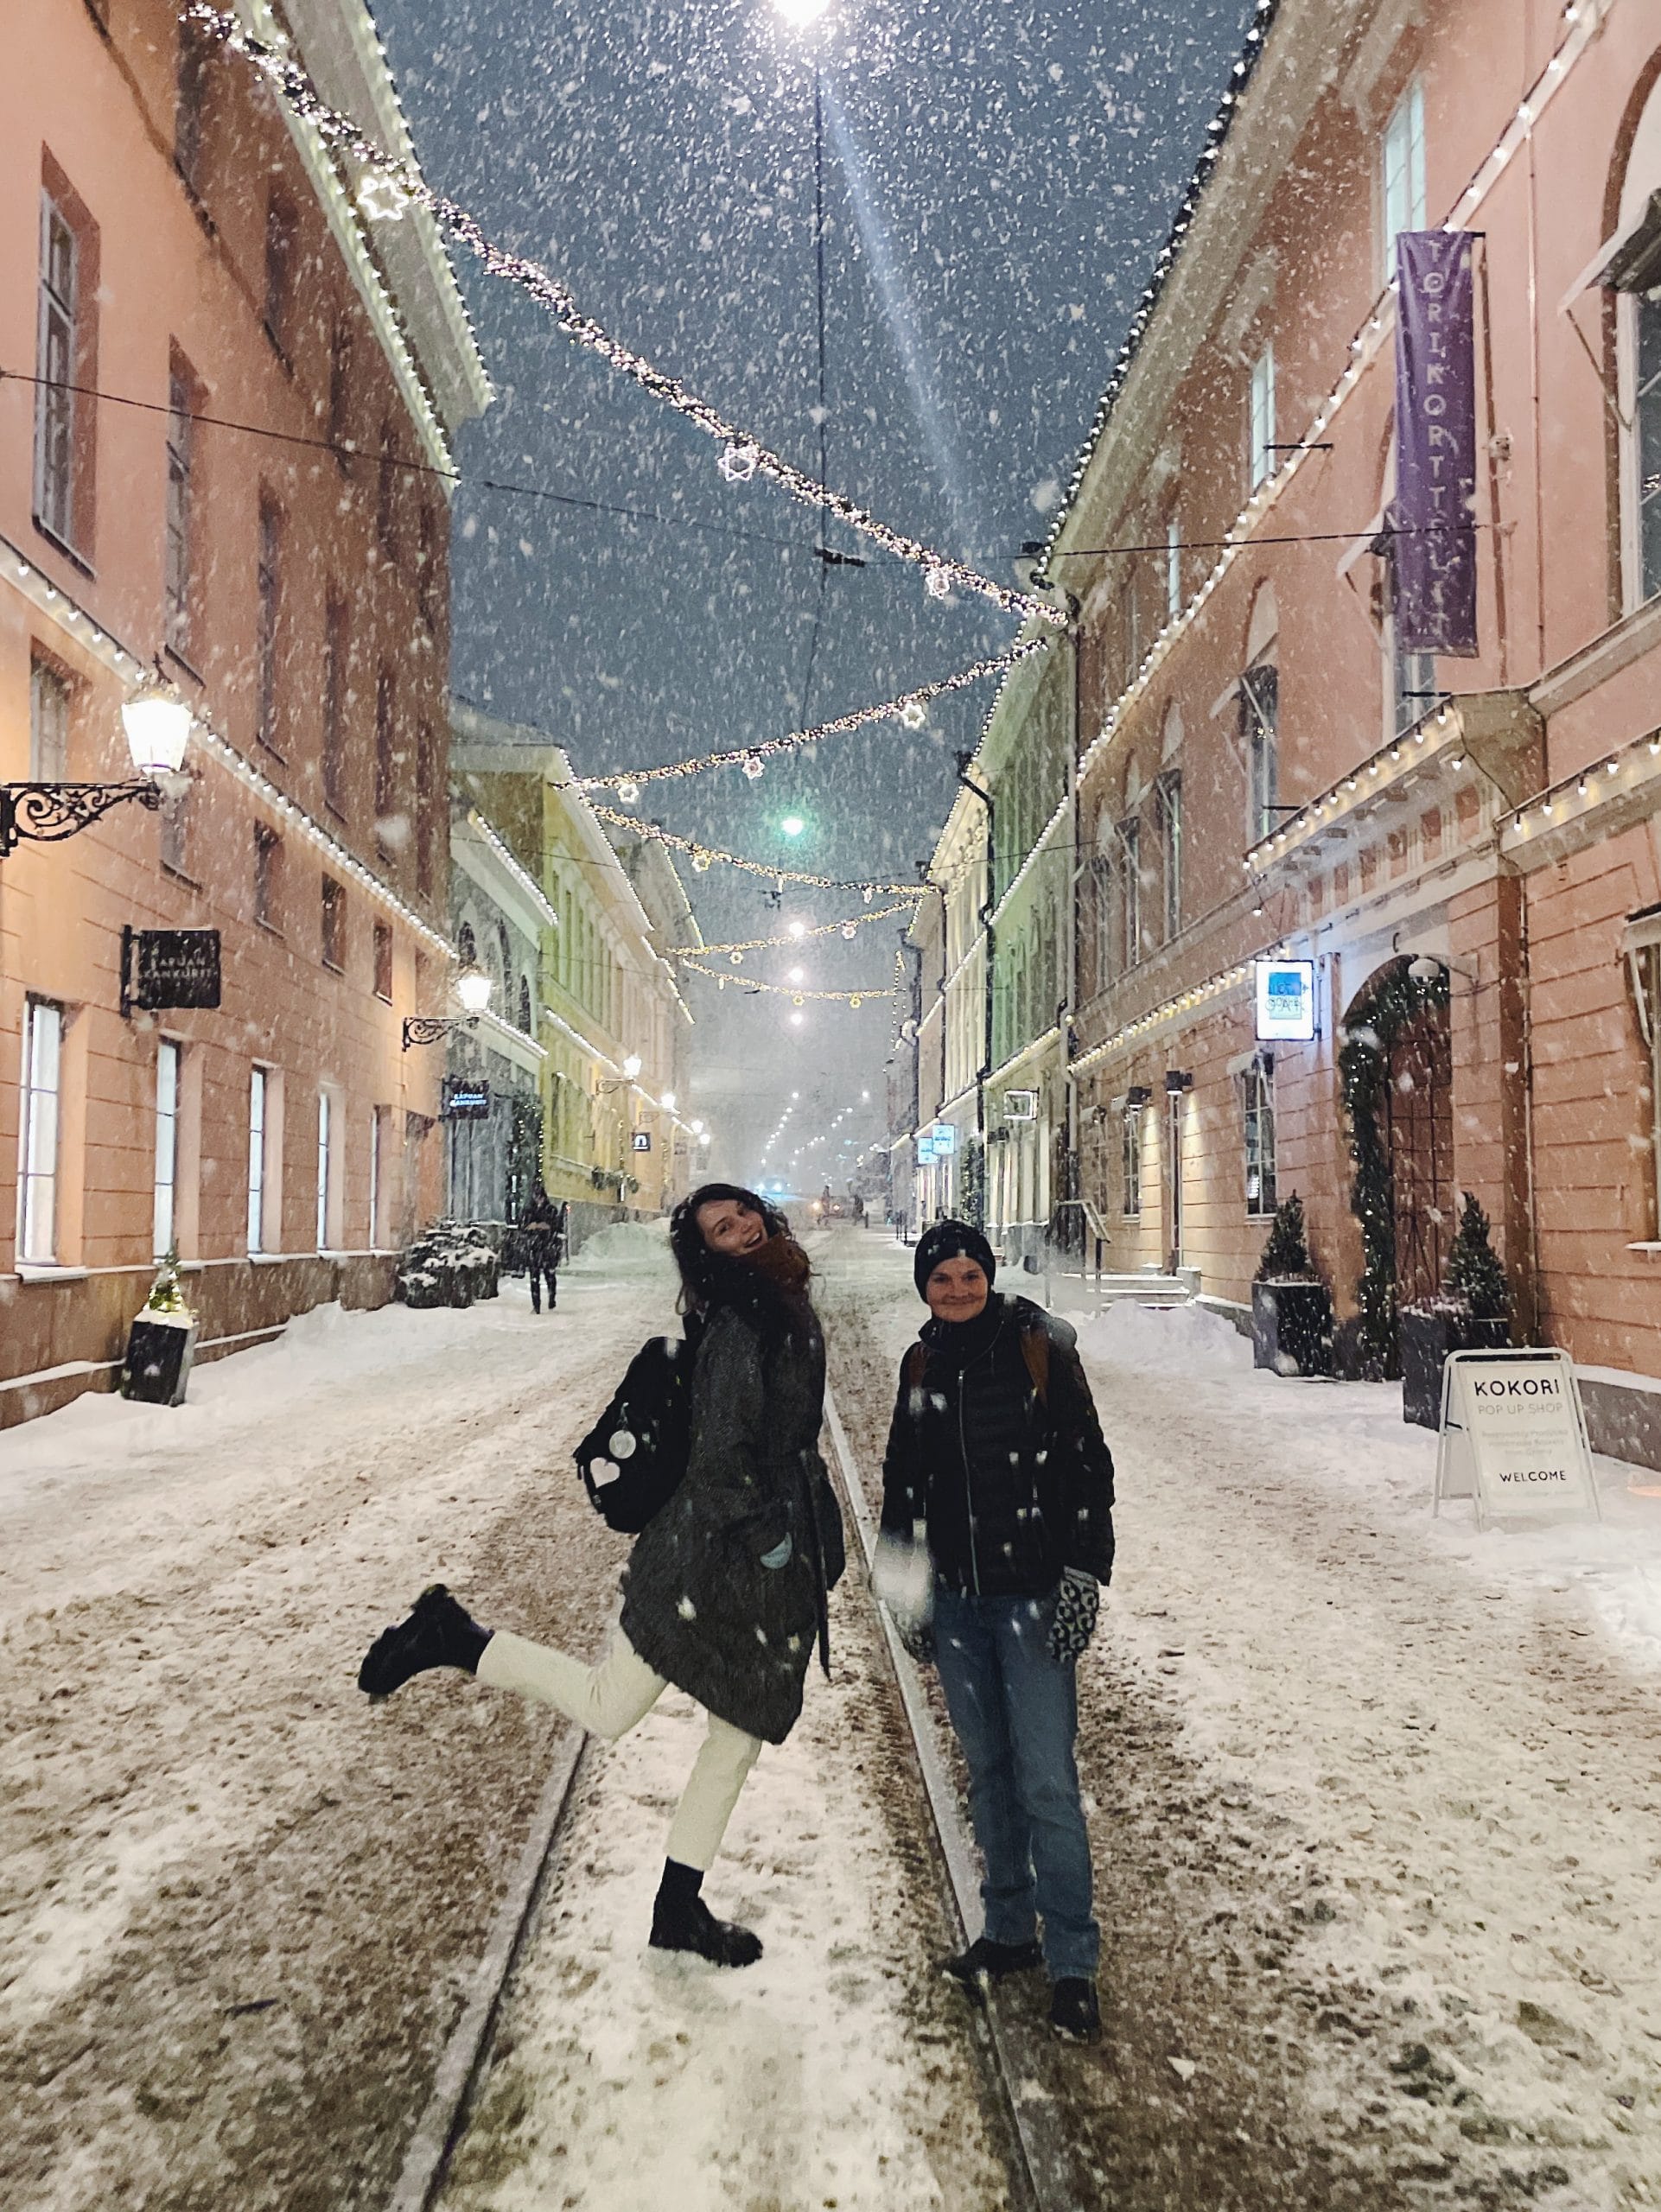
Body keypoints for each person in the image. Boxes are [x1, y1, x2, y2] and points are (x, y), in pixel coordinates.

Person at [357, 1182, 845, 1967]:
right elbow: (723, 1456)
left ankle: (677, 1909)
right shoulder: (741, 1322)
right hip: (709, 1560)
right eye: (722, 1229)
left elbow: (790, 1442)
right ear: (708, 1253)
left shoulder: (781, 1298)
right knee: (610, 1706)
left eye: (742, 1214)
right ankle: (451, 1636)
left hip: (758, 1558)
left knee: (737, 1735)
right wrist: (770, 1538)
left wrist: (812, 1527)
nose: (742, 1229)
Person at [874, 1219, 1115, 2045]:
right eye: (942, 1279)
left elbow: (1087, 1465)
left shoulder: (1038, 1347)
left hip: (1033, 1598)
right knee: (989, 1776)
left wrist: (1082, 1572)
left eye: (969, 1276)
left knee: (1047, 1781)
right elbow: (902, 1483)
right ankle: (1009, 1930)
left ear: (988, 1276)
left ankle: (1073, 1961)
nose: (958, 1291)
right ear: (925, 1288)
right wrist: (905, 1592)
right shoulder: (921, 1362)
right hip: (959, 1605)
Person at [519, 1181, 563, 1314]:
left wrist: (545, 1227)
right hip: (534, 1248)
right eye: (536, 1197)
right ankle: (536, 1305)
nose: (538, 1199)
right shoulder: (528, 1211)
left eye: (540, 1197)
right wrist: (530, 1227)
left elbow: (556, 1226)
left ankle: (551, 1298)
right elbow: (522, 1227)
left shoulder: (551, 1210)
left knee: (550, 1275)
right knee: (534, 1277)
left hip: (548, 1247)